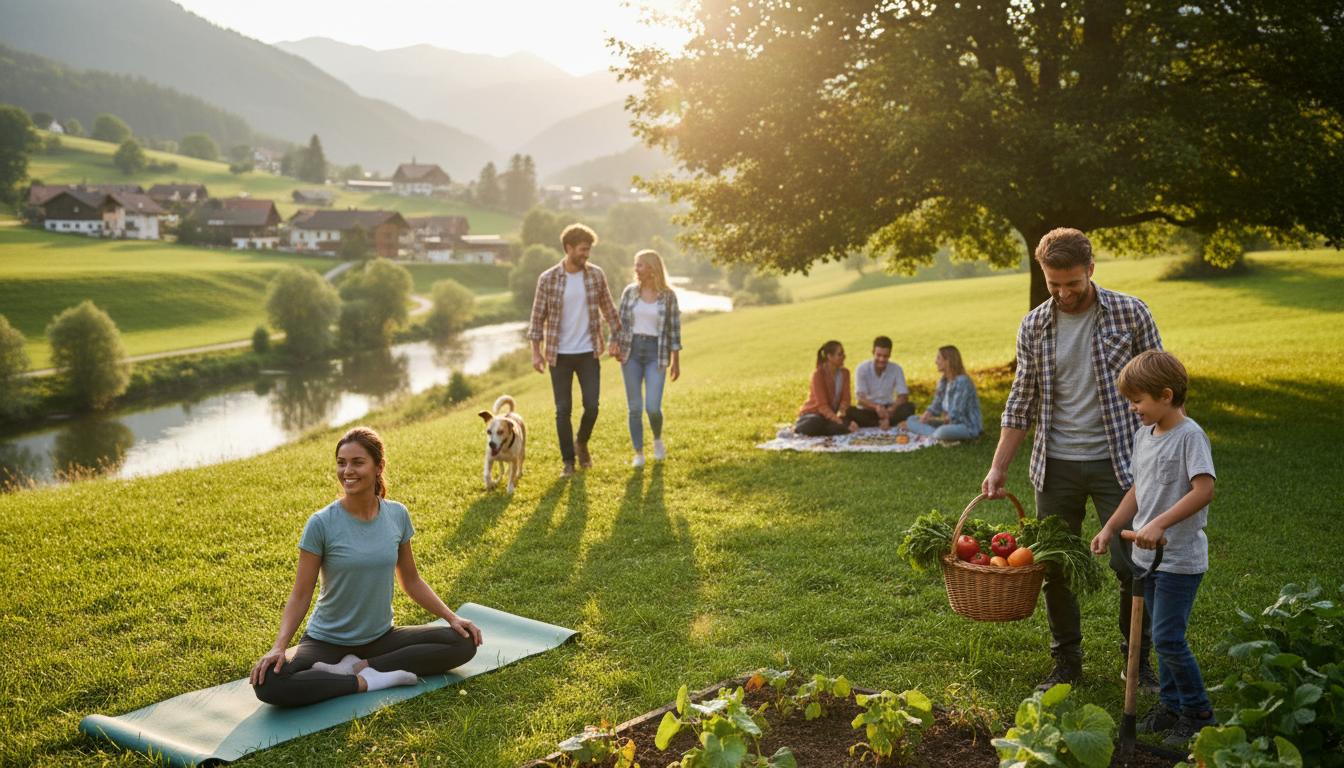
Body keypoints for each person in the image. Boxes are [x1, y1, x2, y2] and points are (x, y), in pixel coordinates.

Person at [981, 227, 1163, 691]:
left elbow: (1164, 385)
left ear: (1091, 271)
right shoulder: (1034, 325)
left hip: (1120, 462)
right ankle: (1066, 662)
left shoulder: (1130, 312)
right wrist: (998, 465)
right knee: (1055, 566)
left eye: (1073, 284)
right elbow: (1021, 400)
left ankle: (1136, 662)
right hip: (1055, 464)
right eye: (1053, 284)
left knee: (1132, 564)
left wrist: (1167, 453)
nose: (1063, 293)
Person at [251, 427, 482, 707]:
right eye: (341, 462)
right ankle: (366, 680)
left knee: (464, 641)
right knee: (269, 683)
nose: (347, 470)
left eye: (357, 462)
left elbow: (411, 580)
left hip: (381, 637)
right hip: (327, 641)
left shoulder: (397, 515)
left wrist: (451, 617)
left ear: (378, 466)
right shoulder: (321, 523)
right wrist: (279, 647)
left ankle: (361, 666)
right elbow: (301, 594)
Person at [1091, 351, 1216, 747]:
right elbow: (1137, 491)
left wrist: (1161, 523)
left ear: (1165, 395)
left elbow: (1204, 489)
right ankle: (1171, 704)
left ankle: (1197, 713)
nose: (1132, 408)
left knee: (1167, 638)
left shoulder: (1190, 436)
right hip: (1145, 558)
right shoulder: (1143, 436)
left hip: (1179, 560)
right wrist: (1111, 527)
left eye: (1138, 400)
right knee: (1160, 637)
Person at [528, 224, 622, 477]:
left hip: (588, 351)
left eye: (588, 250)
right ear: (568, 248)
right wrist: (536, 352)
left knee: (592, 406)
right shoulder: (548, 279)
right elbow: (537, 318)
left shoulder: (595, 275)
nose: (586, 254)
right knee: (563, 410)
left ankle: (581, 442)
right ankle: (568, 461)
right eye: (582, 249)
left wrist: (616, 337)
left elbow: (610, 310)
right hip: (559, 355)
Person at [614, 249, 682, 468]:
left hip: (656, 353)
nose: (636, 269)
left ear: (652, 268)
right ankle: (639, 453)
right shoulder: (630, 292)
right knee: (634, 407)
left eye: (640, 265)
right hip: (631, 352)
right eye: (636, 265)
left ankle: (657, 440)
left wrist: (676, 361)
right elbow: (619, 322)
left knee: (652, 407)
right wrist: (614, 343)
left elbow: (674, 330)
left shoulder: (668, 296)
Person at [902, 345, 982, 441]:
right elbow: (937, 404)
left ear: (948, 361)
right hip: (947, 423)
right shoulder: (943, 381)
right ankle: (933, 433)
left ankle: (934, 434)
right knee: (912, 419)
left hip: (965, 426)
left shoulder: (963, 382)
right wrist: (927, 414)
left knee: (942, 432)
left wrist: (941, 421)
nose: (936, 362)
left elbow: (957, 413)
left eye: (939, 358)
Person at [794, 340, 860, 436]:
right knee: (816, 422)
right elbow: (822, 406)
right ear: (829, 357)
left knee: (855, 413)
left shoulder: (845, 373)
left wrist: (841, 413)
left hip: (832, 414)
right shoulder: (818, 375)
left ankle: (832, 428)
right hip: (815, 414)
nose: (844, 357)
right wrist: (840, 422)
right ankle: (833, 427)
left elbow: (846, 399)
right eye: (840, 354)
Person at [851, 336, 914, 430]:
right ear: (873, 352)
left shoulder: (896, 369)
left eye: (885, 356)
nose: (881, 359)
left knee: (909, 407)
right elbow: (860, 399)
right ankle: (885, 422)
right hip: (869, 409)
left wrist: (890, 410)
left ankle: (883, 421)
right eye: (878, 355)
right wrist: (876, 407)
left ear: (890, 355)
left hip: (889, 408)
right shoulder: (862, 369)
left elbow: (903, 396)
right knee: (850, 411)